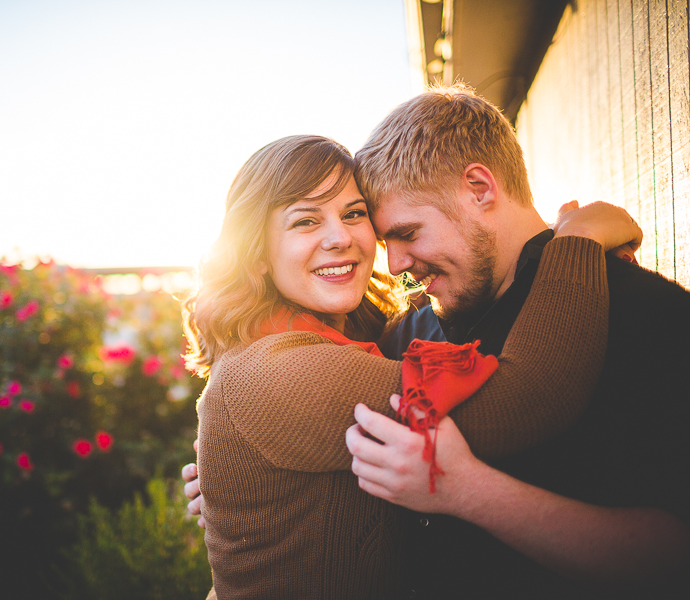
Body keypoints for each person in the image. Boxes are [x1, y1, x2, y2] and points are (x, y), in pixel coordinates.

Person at [182, 133, 638, 599]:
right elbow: (527, 396)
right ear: (255, 253)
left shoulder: (325, 339)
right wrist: (578, 241)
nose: (340, 238)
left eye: (354, 213)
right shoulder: (282, 373)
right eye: (305, 221)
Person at [345, 83, 690, 598]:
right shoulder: (410, 329)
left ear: (480, 188)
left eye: (409, 233)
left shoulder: (642, 312)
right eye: (385, 244)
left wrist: (468, 492)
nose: (396, 266)